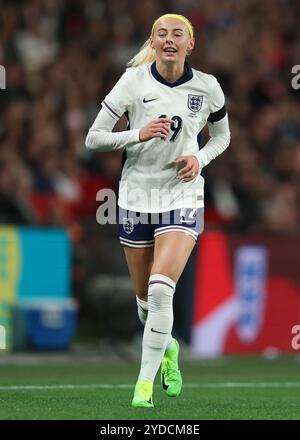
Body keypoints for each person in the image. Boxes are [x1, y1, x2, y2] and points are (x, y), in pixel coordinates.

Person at [85, 13, 230, 408]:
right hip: (136, 198)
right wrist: (138, 133)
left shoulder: (208, 88)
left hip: (183, 198)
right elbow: (93, 138)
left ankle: (143, 388)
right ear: (153, 41)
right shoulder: (133, 81)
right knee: (144, 306)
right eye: (162, 34)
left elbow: (223, 136)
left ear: (190, 43)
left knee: (161, 290)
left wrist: (199, 159)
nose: (169, 39)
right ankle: (169, 349)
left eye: (177, 34)